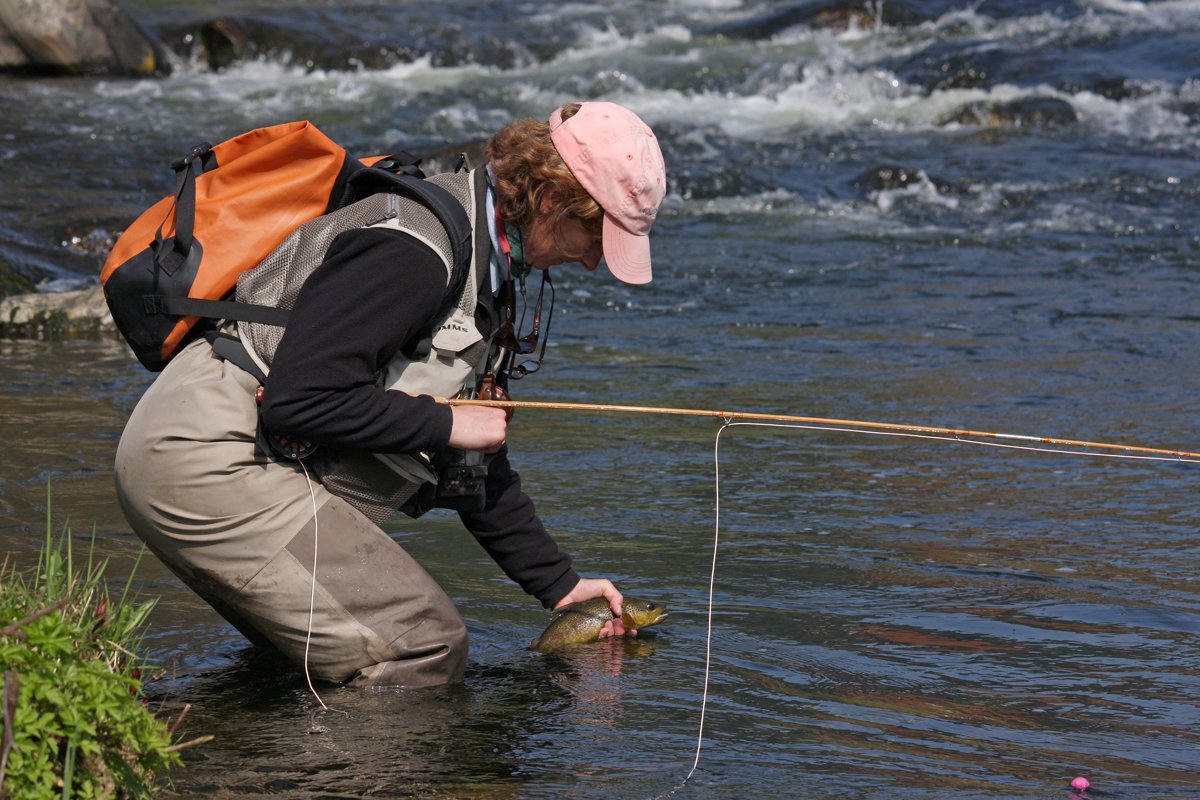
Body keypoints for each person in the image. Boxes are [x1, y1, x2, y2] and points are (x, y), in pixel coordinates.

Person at [114, 101, 668, 687]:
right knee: (422, 644)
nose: (593, 260)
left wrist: (559, 585)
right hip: (204, 458)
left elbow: (472, 463)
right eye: (595, 234)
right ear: (552, 198)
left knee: (299, 670)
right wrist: (446, 424)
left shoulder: (490, 264)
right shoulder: (416, 250)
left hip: (233, 457)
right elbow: (300, 400)